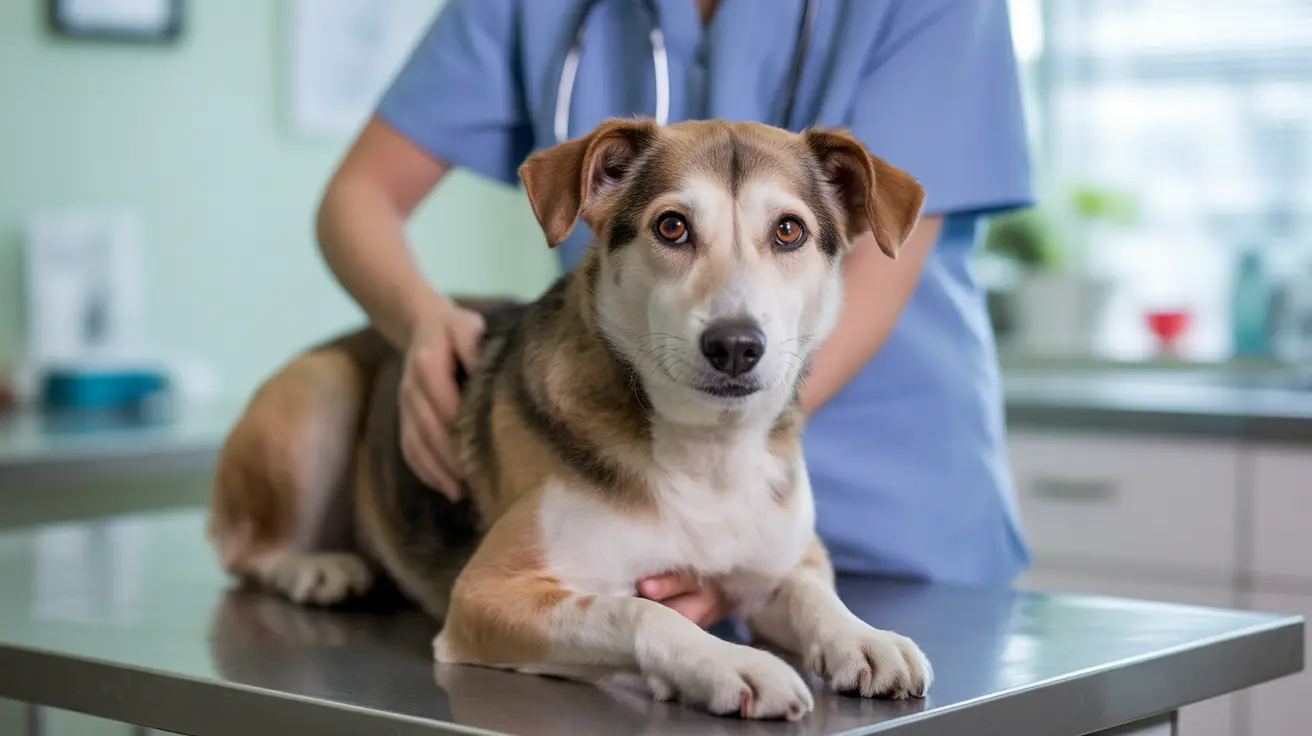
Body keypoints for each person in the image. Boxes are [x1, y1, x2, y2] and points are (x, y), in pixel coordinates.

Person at [315, 0, 1034, 629]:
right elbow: (360, 195)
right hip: (611, 479)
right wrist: (421, 321)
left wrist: (727, 522)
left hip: (893, 514)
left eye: (786, 231)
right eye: (673, 227)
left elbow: (878, 264)